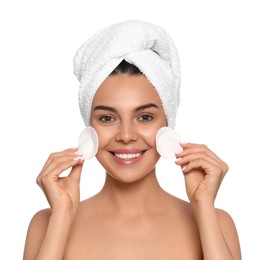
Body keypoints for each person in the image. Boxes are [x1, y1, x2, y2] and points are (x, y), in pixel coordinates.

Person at [23, 20, 241, 260]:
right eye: (107, 118)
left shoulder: (216, 222)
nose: (126, 136)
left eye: (145, 117)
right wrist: (62, 215)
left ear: (167, 124)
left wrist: (204, 209)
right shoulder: (47, 224)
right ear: (90, 128)